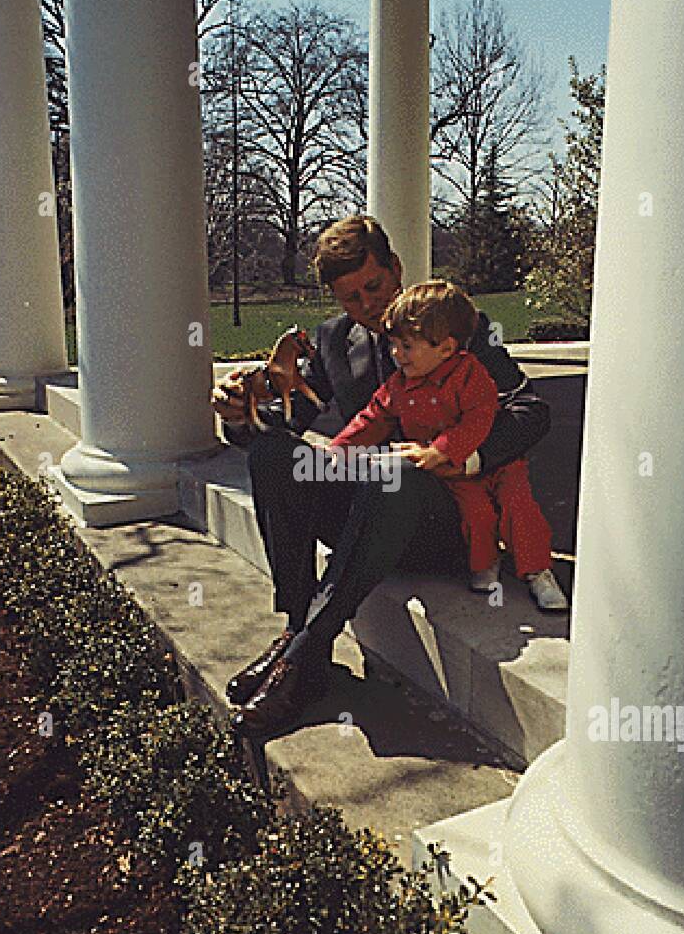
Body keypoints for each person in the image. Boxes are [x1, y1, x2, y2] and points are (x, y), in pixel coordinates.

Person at [210, 214, 554, 738]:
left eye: (374, 286)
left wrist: (462, 458)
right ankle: (297, 626)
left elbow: (530, 409)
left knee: (392, 473)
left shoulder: (452, 324)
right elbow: (286, 423)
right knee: (274, 458)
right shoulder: (332, 343)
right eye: (350, 297)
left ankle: (304, 657)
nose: (367, 305)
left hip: (444, 520)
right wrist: (240, 416)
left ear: (395, 269)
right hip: (367, 518)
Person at [328, 280, 569, 611]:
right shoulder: (399, 385)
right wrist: (338, 450)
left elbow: (478, 418)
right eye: (394, 344)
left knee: (518, 507)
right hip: (453, 473)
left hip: (492, 464)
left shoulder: (471, 375)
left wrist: (442, 450)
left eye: (407, 346)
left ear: (445, 347)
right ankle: (486, 564)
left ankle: (538, 570)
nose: (396, 354)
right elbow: (372, 418)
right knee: (476, 514)